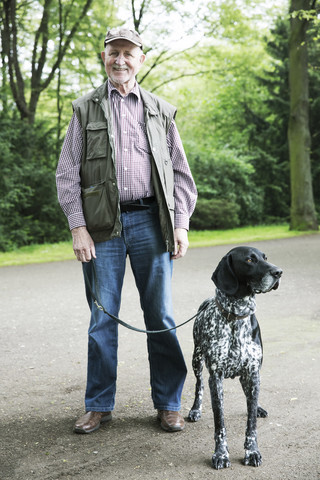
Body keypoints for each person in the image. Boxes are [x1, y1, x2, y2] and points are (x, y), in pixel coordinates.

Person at [56, 27, 197, 435]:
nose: (120, 60)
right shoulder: (84, 110)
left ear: (141, 59)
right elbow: (67, 175)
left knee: (161, 316)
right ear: (104, 57)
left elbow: (182, 177)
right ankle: (98, 404)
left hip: (152, 223)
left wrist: (181, 225)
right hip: (102, 228)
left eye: (128, 54)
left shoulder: (160, 110)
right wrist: (78, 227)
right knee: (102, 320)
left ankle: (169, 403)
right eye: (113, 52)